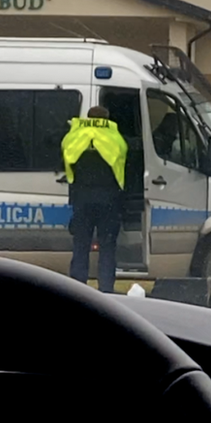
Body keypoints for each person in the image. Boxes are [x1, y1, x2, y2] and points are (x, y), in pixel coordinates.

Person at [61, 105, 129, 293]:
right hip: (108, 200)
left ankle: (77, 288)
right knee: (107, 248)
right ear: (106, 119)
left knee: (81, 245)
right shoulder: (115, 138)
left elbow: (65, 159)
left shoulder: (73, 136)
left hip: (82, 198)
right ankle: (106, 289)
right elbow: (124, 161)